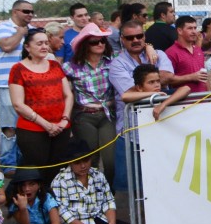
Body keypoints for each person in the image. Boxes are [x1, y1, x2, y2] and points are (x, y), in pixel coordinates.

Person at [108, 21, 172, 190]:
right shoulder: (117, 64)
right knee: (130, 185)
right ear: (122, 39)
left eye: (139, 36)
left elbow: (167, 77)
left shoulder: (158, 53)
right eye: (130, 37)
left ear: (145, 37)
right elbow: (130, 92)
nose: (135, 40)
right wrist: (156, 90)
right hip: (131, 132)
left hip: (160, 127)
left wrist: (146, 87)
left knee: (161, 179)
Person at [51, 140, 132, 224]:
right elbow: (64, 214)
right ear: (70, 163)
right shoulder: (60, 181)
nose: (83, 165)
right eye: (77, 162)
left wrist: (112, 223)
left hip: (100, 220)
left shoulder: (98, 175)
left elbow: (108, 201)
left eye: (86, 160)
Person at [9, 29, 74, 186]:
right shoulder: (18, 69)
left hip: (61, 127)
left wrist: (64, 120)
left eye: (46, 42)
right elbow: (18, 104)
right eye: (39, 43)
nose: (44, 46)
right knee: (37, 172)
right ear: (27, 47)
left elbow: (68, 95)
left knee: (60, 171)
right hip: (32, 130)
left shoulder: (54, 66)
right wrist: (45, 124)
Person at [63, 23, 117, 186]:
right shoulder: (70, 67)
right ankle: (91, 192)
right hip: (84, 115)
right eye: (94, 42)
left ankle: (109, 192)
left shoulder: (112, 61)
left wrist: (149, 46)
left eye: (102, 41)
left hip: (107, 113)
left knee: (111, 160)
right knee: (90, 158)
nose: (100, 44)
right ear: (85, 45)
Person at [0, 1, 35, 175]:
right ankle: (8, 164)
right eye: (26, 11)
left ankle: (25, 162)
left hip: (31, 83)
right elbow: (7, 45)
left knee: (28, 124)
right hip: (8, 84)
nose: (30, 15)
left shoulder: (32, 30)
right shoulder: (2, 28)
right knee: (10, 126)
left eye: (32, 12)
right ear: (15, 11)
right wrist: (20, 33)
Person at [121, 65, 190, 121]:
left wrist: (163, 104)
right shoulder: (138, 98)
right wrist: (152, 94)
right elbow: (125, 96)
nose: (157, 85)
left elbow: (186, 89)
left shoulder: (163, 94)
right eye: (151, 82)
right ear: (139, 88)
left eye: (158, 81)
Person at [166, 15, 207, 93]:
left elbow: (204, 78)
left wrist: (210, 96)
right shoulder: (171, 53)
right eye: (190, 28)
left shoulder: (198, 50)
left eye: (195, 28)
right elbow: (168, 80)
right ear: (179, 31)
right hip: (184, 102)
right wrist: (191, 77)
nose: (194, 31)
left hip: (203, 99)